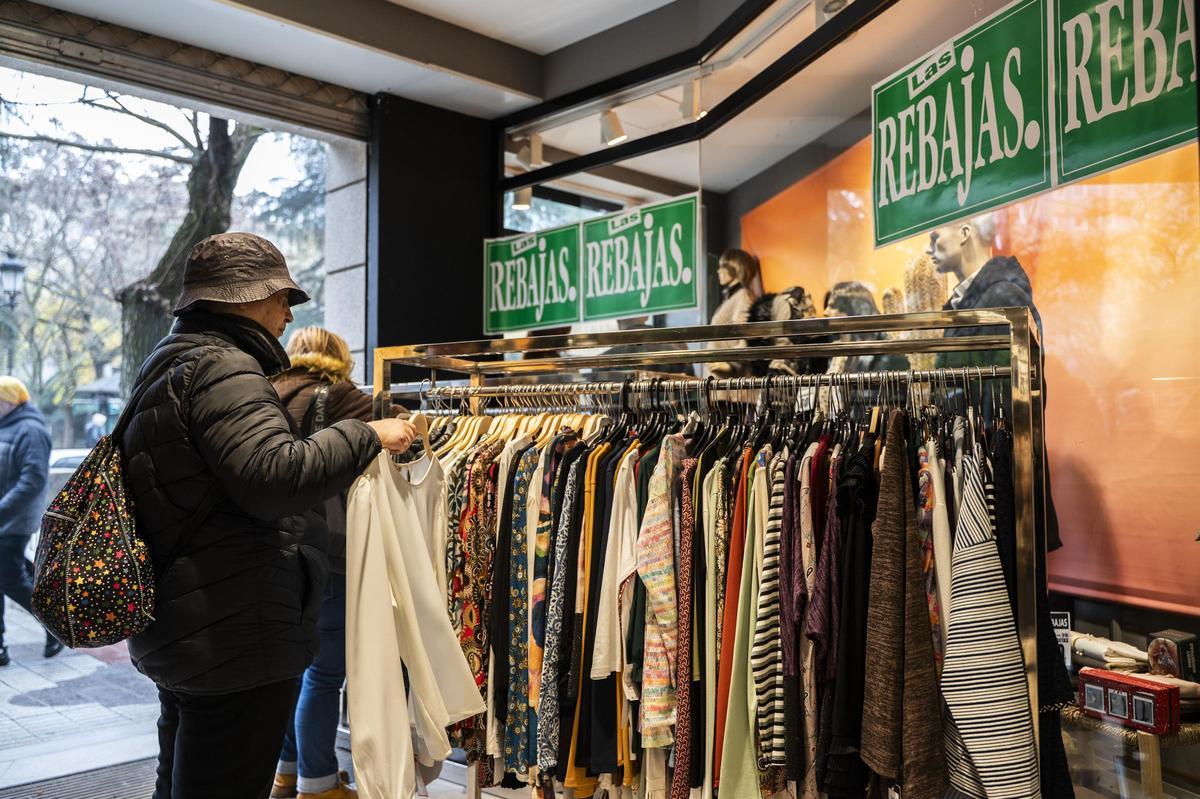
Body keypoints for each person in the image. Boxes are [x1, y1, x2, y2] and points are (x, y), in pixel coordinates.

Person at [120, 233, 417, 799]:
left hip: (192, 620)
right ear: (246, 297)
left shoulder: (170, 361)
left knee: (183, 778)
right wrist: (367, 434)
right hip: (232, 629)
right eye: (281, 298)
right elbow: (273, 476)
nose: (287, 314)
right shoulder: (223, 368)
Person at [269, 327, 371, 799]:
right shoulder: (341, 396)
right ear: (339, 357)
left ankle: (286, 771)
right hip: (330, 548)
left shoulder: (268, 393)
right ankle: (319, 782)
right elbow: (397, 429)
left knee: (294, 667)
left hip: (282, 547)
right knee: (325, 674)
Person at [0, 376, 62, 665]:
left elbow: (33, 480)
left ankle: (57, 625)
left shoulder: (30, 430)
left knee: (11, 579)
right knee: (14, 575)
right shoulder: (7, 427)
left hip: (14, 521)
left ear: (9, 401)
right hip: (5, 518)